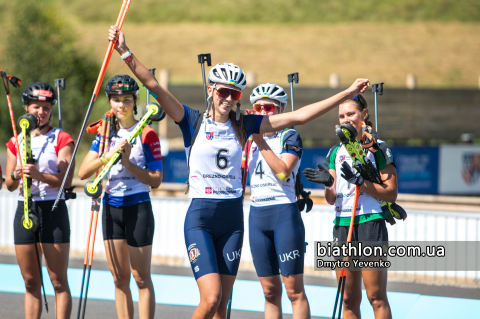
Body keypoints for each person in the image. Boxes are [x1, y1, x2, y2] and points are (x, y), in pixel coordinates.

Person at [108, 25, 369, 319]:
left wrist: (346, 93)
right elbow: (154, 85)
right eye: (223, 92)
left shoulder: (246, 124)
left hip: (232, 220)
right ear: (211, 90)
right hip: (201, 219)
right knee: (211, 298)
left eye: (235, 94)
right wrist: (124, 51)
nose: (228, 99)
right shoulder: (191, 121)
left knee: (222, 306)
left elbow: (299, 116)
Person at [78, 74, 163, 319]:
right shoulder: (104, 134)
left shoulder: (146, 133)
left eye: (126, 99)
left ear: (134, 101)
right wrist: (108, 155)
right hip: (111, 208)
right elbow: (84, 172)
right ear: (110, 102)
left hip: (138, 208)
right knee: (119, 278)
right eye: (116, 100)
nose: (121, 105)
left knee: (141, 278)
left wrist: (127, 163)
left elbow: (156, 179)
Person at [303, 94, 395, 319]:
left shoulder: (378, 148)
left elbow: (391, 193)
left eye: (350, 114)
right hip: (343, 224)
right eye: (341, 116)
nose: (345, 119)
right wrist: (327, 184)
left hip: (370, 222)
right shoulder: (335, 151)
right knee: (348, 299)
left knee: (376, 296)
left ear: (364, 115)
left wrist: (362, 182)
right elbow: (331, 198)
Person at [5, 82, 74, 319]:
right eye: (36, 107)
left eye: (46, 107)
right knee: (31, 282)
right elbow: (10, 185)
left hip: (53, 209)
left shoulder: (62, 138)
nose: (41, 112)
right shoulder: (16, 139)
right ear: (26, 107)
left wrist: (39, 175)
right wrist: (16, 175)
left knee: (57, 281)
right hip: (25, 209)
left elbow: (65, 180)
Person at [246, 83, 310, 318]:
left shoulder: (289, 135)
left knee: (294, 291)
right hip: (257, 216)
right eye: (259, 108)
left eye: (270, 107)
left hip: (284, 214)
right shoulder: (247, 140)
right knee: (270, 292)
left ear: (281, 109)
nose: (264, 112)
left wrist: (258, 140)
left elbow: (283, 171)